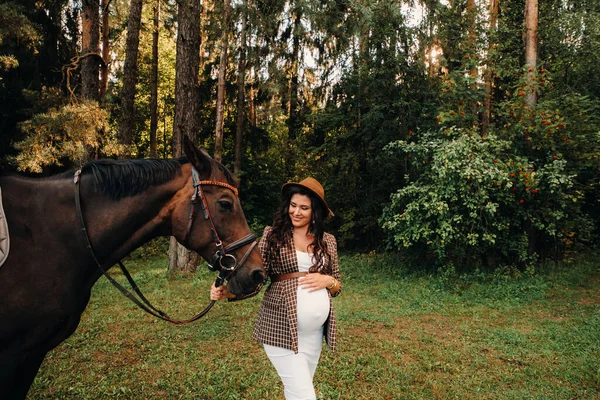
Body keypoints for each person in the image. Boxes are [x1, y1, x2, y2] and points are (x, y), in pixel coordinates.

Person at [210, 177, 342, 400]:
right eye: (293, 205)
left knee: (297, 391)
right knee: (305, 396)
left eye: (304, 207)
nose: (296, 212)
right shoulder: (273, 235)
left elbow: (337, 283)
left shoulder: (327, 240)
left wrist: (328, 281)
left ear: (315, 212)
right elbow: (258, 278)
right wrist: (230, 291)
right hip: (280, 329)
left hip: (314, 335)